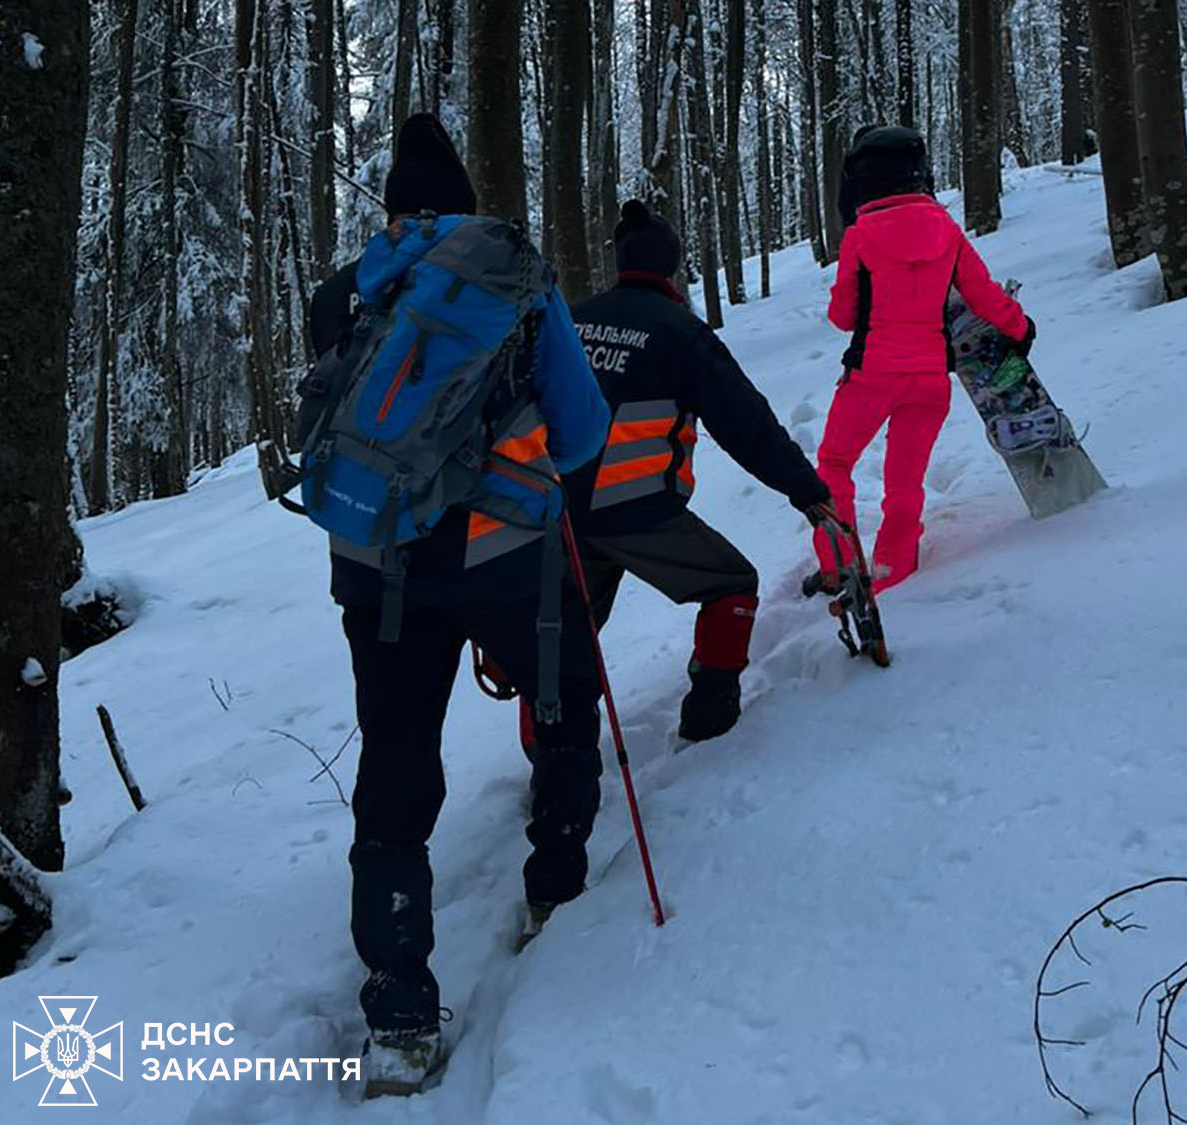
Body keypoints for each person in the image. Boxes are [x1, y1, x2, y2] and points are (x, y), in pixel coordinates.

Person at [307, 113, 612, 1097]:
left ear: (393, 210)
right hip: (501, 552)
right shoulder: (515, 283)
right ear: (467, 208)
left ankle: (398, 1008)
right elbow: (579, 429)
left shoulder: (342, 295)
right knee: (562, 686)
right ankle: (558, 878)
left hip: (371, 564)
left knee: (395, 756)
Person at [564, 200, 830, 742]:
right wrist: (806, 491)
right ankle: (710, 718)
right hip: (638, 512)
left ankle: (557, 766)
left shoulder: (571, 319)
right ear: (671, 267)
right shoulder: (679, 331)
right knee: (730, 582)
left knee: (566, 634)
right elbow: (745, 423)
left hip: (557, 510)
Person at [809, 126, 1033, 595]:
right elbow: (983, 296)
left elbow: (843, 317)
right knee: (905, 484)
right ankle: (895, 573)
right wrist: (1020, 327)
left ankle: (840, 566)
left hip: (871, 375)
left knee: (833, 463)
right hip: (930, 379)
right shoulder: (946, 230)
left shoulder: (860, 235)